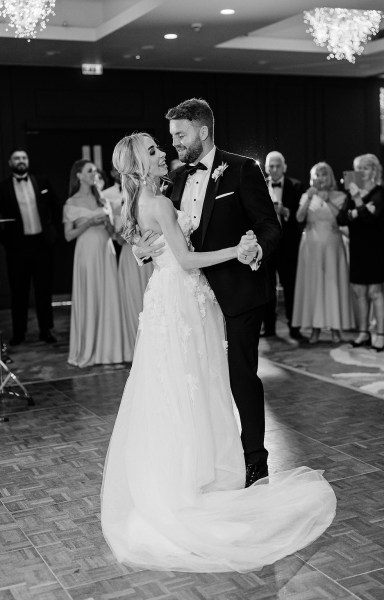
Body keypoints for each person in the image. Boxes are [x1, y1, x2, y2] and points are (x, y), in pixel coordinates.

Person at [101, 131, 337, 573]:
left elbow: (152, 236)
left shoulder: (191, 181)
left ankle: (204, 469)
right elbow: (182, 256)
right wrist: (233, 249)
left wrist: (142, 247)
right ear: (138, 164)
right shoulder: (163, 196)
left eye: (172, 139)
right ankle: (197, 476)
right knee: (191, 385)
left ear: (201, 130)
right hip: (183, 298)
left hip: (184, 299)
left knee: (184, 384)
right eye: (156, 147)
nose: (166, 149)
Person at [133, 98, 281, 487]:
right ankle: (213, 457)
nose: (175, 144)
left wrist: (256, 248)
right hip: (193, 296)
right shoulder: (176, 179)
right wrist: (144, 251)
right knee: (203, 377)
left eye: (180, 135)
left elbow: (270, 225)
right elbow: (164, 233)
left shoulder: (243, 169)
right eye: (171, 138)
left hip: (239, 290)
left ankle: (255, 459)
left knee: (239, 376)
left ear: (202, 130)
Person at [63, 159, 129, 367]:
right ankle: (89, 348)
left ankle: (111, 351)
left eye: (95, 171)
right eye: (89, 171)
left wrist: (112, 228)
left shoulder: (102, 199)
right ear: (79, 176)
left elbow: (111, 230)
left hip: (106, 249)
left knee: (109, 295)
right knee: (91, 293)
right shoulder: (71, 203)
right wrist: (89, 223)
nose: (94, 174)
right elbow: (68, 235)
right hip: (86, 251)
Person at [0, 148, 58, 345]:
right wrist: (6, 241)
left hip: (41, 245)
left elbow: (55, 208)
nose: (21, 160)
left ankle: (46, 331)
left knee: (44, 290)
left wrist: (53, 235)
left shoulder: (42, 182)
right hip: (17, 247)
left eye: (24, 157)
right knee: (19, 292)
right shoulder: (3, 187)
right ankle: (19, 333)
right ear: (10, 162)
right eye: (17, 158)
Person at [292, 162, 354, 343]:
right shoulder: (307, 195)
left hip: (333, 245)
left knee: (334, 285)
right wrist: (309, 199)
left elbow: (342, 220)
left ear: (330, 177)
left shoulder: (341, 195)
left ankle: (336, 329)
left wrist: (327, 201)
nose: (321, 178)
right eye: (317, 174)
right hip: (311, 245)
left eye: (324, 174)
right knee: (314, 286)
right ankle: (315, 329)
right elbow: (299, 218)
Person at [337, 154, 384, 351]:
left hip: (376, 248)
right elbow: (341, 219)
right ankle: (363, 333)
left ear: (374, 170)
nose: (361, 172)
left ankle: (382, 335)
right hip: (358, 247)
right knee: (359, 291)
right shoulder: (351, 195)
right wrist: (358, 209)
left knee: (376, 292)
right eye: (358, 168)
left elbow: (370, 221)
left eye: (365, 168)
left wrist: (357, 206)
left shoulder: (379, 193)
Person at [103, 166, 153, 358]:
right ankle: (136, 348)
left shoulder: (151, 197)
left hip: (150, 255)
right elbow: (117, 234)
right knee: (133, 301)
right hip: (129, 255)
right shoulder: (114, 200)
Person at [263, 151, 305, 341]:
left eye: (277, 165)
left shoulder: (295, 186)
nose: (274, 169)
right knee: (267, 287)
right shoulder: (260, 185)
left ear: (284, 167)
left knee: (291, 287)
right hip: (267, 245)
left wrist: (284, 211)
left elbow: (302, 216)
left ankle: (294, 328)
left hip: (289, 244)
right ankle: (269, 327)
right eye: (271, 166)